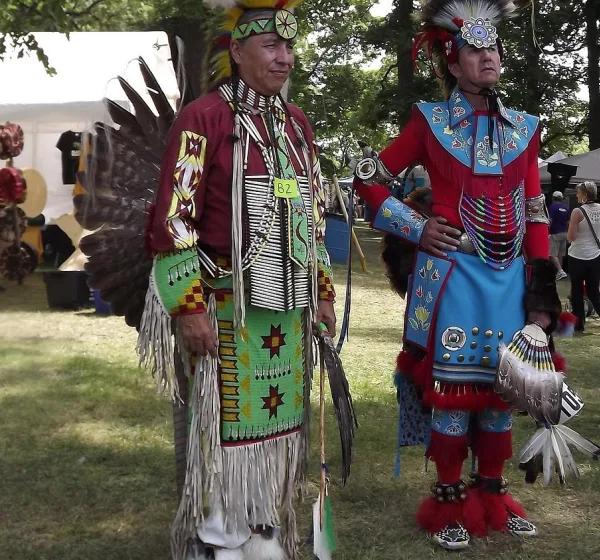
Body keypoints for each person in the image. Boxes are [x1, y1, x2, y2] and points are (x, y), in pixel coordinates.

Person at [352, 0, 563, 550]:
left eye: (494, 47)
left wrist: (541, 300)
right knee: (451, 393)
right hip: (451, 278)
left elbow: (535, 209)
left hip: (510, 279)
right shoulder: (428, 120)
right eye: (475, 49)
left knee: (501, 395)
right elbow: (368, 178)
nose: (488, 56)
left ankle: (493, 495)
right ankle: (448, 502)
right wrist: (414, 226)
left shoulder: (526, 129)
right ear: (452, 61)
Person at [142, 2, 336, 558]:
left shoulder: (296, 124)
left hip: (287, 305)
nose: (284, 56)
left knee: (280, 420)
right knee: (223, 422)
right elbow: (175, 219)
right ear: (237, 51)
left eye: (289, 46)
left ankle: (262, 523)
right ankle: (219, 535)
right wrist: (189, 305)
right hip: (225, 304)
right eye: (271, 45)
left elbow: (313, 217)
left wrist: (321, 290)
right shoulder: (203, 119)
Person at [566, 181, 600, 335]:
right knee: (594, 290)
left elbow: (571, 236)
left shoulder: (577, 212)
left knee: (577, 291)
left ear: (585, 195)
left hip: (577, 255)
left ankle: (579, 323)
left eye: (578, 193)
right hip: (596, 256)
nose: (577, 195)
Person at [548, 190, 570, 280]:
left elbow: (550, 220)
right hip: (564, 233)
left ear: (553, 198)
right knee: (561, 254)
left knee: (552, 254)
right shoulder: (566, 208)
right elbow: (568, 222)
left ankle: (560, 270)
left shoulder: (552, 207)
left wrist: (547, 230)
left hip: (555, 233)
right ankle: (559, 274)